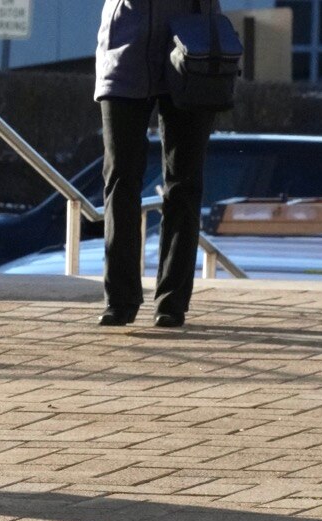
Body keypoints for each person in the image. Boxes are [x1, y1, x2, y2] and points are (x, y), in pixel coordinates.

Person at [94, 0, 220, 327]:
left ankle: (172, 302)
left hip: (193, 47)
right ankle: (119, 300)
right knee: (120, 177)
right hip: (124, 49)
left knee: (184, 183)